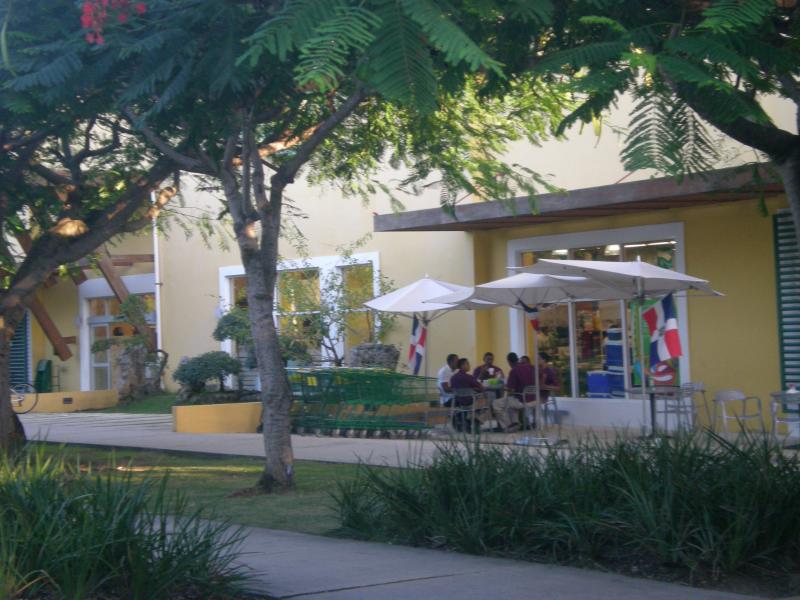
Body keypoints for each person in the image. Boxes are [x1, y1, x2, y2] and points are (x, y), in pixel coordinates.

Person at [449, 358, 487, 432]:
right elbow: (481, 387)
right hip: (470, 402)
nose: (469, 365)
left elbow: (456, 388)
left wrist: (472, 389)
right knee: (487, 401)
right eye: (467, 364)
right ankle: (476, 420)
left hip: (459, 402)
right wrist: (480, 390)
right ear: (462, 366)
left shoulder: (453, 378)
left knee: (478, 400)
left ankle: (471, 419)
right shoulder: (468, 377)